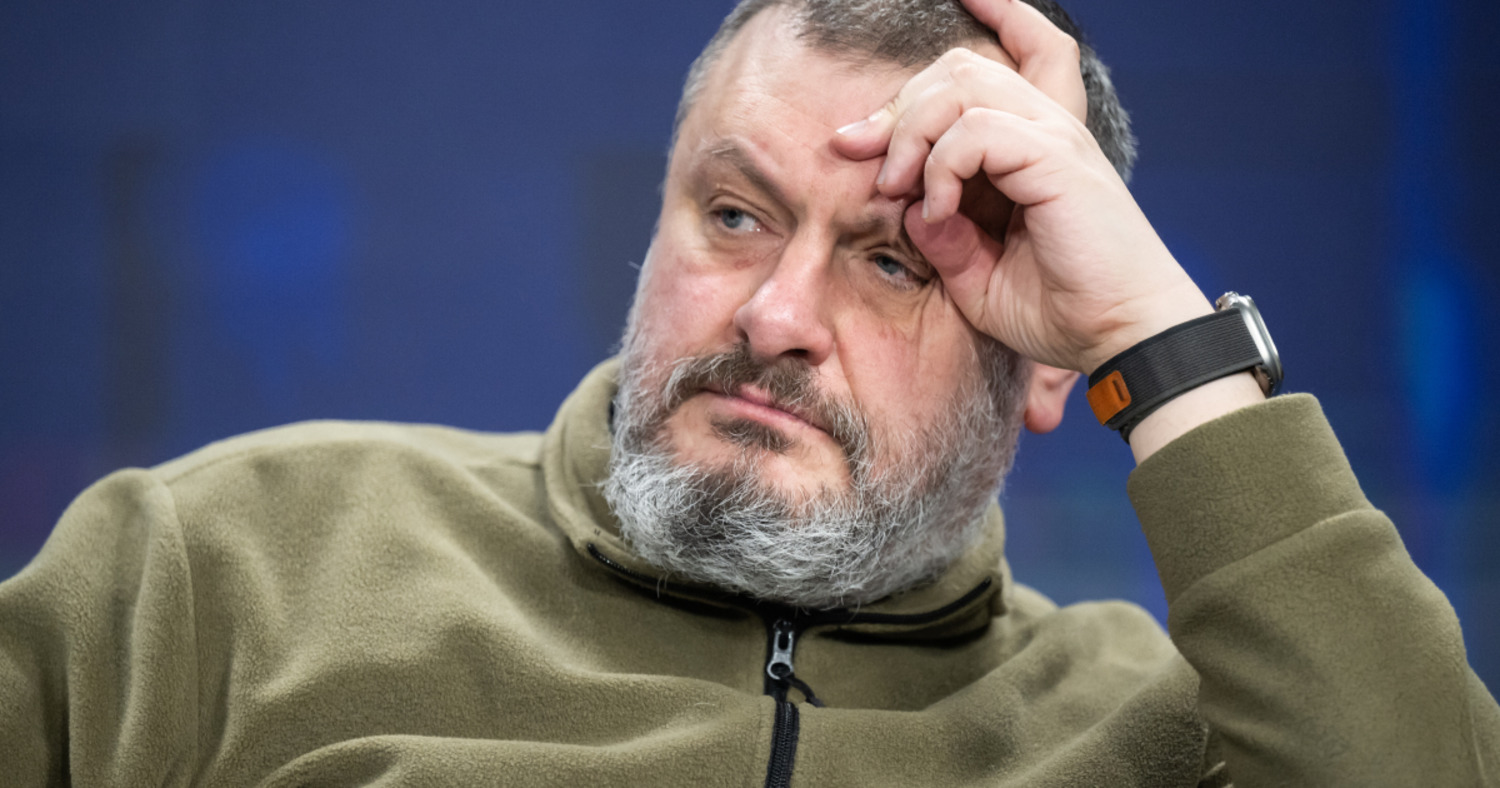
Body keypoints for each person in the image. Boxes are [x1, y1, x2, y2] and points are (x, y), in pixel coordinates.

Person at [2, 0, 1496, 785]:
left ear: (1052, 364)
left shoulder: (1174, 734)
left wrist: (1157, 339)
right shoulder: (222, 565)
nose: (776, 316)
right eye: (732, 214)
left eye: (895, 262)